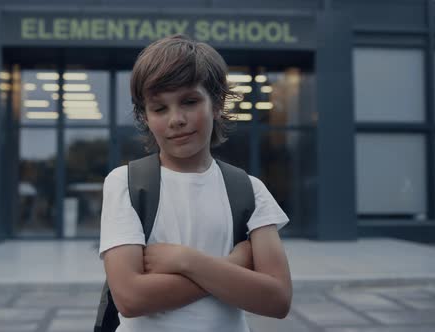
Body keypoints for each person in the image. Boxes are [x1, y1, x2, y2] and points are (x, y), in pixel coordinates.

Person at [99, 34, 292, 332]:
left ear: (216, 103)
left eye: (189, 101)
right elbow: (130, 297)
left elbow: (278, 299)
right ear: (145, 117)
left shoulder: (249, 190)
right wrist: (234, 265)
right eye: (159, 108)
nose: (176, 119)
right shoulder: (125, 183)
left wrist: (187, 260)